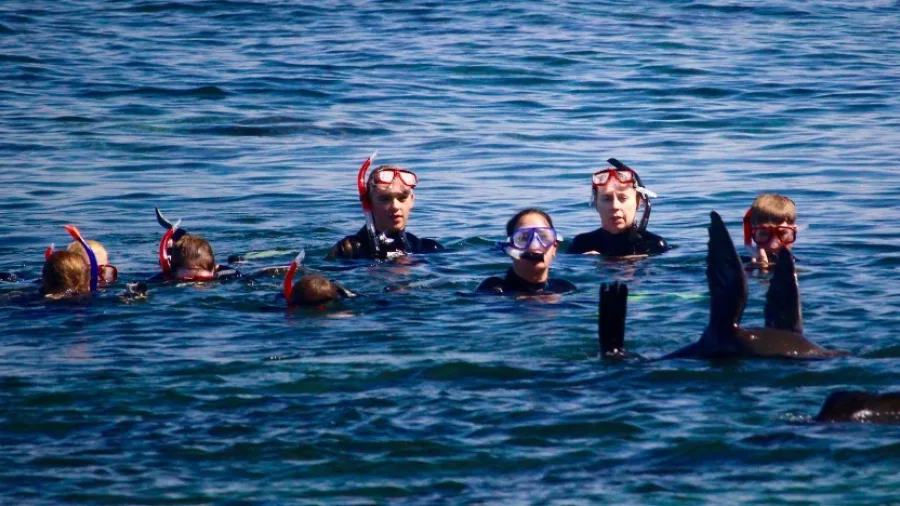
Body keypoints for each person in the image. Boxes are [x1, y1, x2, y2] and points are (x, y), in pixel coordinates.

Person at [328, 155, 444, 260]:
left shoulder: (428, 249)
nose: (395, 206)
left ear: (412, 200)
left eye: (402, 198)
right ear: (369, 203)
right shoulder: (348, 251)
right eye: (385, 199)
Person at [567, 158, 668, 257]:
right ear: (596, 204)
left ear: (637, 203)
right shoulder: (581, 245)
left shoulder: (655, 245)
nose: (615, 206)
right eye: (607, 199)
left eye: (623, 198)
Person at [477, 208, 576, 295]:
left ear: (554, 248)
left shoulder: (565, 288)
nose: (534, 245)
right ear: (510, 249)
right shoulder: (494, 288)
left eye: (544, 237)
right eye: (523, 238)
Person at [742, 194, 797, 268]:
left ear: (794, 233)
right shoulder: (736, 267)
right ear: (752, 235)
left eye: (782, 233)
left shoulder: (811, 266)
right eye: (764, 234)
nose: (773, 245)